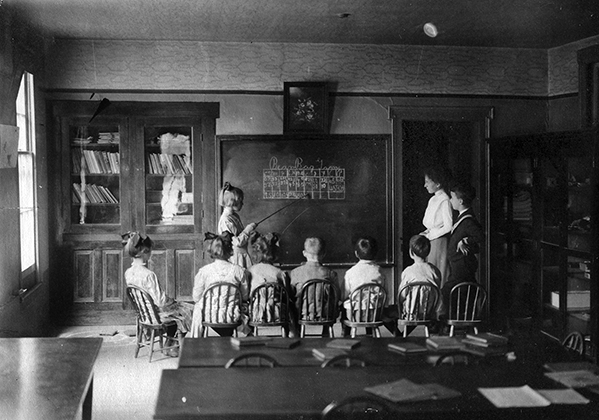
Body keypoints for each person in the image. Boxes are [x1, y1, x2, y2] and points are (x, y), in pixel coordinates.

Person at [123, 231, 193, 357]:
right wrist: (171, 301)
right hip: (157, 315)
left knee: (178, 308)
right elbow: (160, 301)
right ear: (145, 251)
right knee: (188, 309)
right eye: (150, 251)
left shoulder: (128, 272)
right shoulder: (149, 275)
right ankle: (170, 344)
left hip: (145, 315)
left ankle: (170, 342)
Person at [190, 232, 250, 338]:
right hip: (231, 316)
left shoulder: (204, 271)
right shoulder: (239, 271)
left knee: (197, 306)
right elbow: (244, 296)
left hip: (209, 316)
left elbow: (196, 297)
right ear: (229, 250)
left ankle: (198, 343)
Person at [442, 182, 484, 312]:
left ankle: (456, 321)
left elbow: (481, 237)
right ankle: (457, 320)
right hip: (457, 265)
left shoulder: (468, 220)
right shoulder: (461, 217)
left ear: (460, 201)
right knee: (457, 294)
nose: (450, 200)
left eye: (452, 197)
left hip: (463, 266)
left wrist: (466, 240)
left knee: (451, 292)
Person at [289, 237, 340, 337]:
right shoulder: (331, 274)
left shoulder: (295, 272)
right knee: (332, 302)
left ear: (304, 253)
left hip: (302, 313)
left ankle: (296, 332)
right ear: (324, 254)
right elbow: (337, 295)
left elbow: (291, 294)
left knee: (291, 303)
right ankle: (326, 331)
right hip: (325, 314)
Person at [247, 231, 295, 336]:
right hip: (277, 313)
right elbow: (287, 294)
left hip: (255, 313)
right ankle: (292, 333)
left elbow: (247, 295)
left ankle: (249, 333)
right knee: (290, 304)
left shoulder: (250, 271)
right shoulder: (279, 272)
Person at [397, 234, 443, 336]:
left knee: (393, 309)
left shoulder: (408, 272)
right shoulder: (435, 271)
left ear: (411, 252)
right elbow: (436, 292)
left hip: (411, 313)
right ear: (428, 252)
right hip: (429, 313)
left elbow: (401, 295)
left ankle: (399, 335)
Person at [341, 236, 386, 336]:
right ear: (376, 253)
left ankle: (346, 335)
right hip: (375, 313)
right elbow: (385, 293)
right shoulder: (379, 271)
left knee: (344, 305)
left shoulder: (350, 272)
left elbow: (344, 295)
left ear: (356, 253)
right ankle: (371, 333)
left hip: (355, 314)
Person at [420, 166, 453, 289]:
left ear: (438, 183)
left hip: (439, 242)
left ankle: (439, 305)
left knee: (438, 274)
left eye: (428, 182)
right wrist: (426, 233)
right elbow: (431, 224)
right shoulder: (433, 199)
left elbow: (448, 226)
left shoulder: (445, 200)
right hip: (430, 240)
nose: (425, 185)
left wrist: (430, 235)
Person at [218, 182, 256, 269]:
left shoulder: (234, 216)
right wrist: (248, 229)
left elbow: (239, 235)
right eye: (240, 201)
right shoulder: (225, 220)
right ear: (233, 202)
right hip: (236, 258)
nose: (242, 204)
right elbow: (237, 242)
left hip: (242, 255)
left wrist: (249, 234)